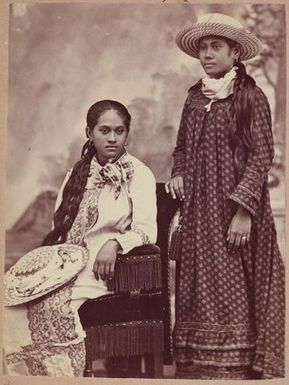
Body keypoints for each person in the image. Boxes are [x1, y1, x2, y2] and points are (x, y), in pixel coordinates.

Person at [165, 13, 285, 380]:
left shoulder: (250, 97)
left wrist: (244, 210)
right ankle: (196, 362)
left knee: (235, 279)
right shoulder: (194, 98)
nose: (207, 54)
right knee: (198, 280)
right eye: (203, 47)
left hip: (235, 208)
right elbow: (182, 147)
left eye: (216, 47)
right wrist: (180, 173)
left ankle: (237, 363)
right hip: (199, 210)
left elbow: (261, 154)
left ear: (235, 52)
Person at [4, 100, 157, 376]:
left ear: (127, 133)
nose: (112, 138)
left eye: (119, 131)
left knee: (56, 309)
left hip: (105, 271)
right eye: (104, 130)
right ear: (90, 133)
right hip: (66, 266)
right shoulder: (76, 173)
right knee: (13, 307)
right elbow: (58, 226)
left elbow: (147, 229)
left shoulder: (139, 174)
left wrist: (115, 244)